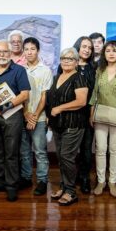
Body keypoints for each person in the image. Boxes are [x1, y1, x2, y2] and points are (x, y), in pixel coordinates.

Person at [0, 40, 30, 202]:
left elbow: (24, 94)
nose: (2, 54)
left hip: (13, 116)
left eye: (5, 52)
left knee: (11, 153)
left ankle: (11, 186)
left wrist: (5, 106)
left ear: (10, 53)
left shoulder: (19, 70)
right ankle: (0, 182)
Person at [89, 41, 116, 198]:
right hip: (100, 115)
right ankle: (101, 181)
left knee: (114, 150)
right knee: (100, 149)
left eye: (114, 50)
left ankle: (112, 182)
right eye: (108, 50)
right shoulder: (99, 70)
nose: (111, 53)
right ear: (104, 54)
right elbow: (94, 94)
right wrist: (91, 114)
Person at [47, 47, 88, 206]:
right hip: (58, 124)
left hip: (73, 123)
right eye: (64, 58)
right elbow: (52, 99)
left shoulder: (79, 78)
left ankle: (71, 192)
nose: (66, 61)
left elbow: (81, 101)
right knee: (61, 157)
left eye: (70, 59)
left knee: (66, 156)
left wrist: (60, 108)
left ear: (76, 62)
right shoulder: (57, 77)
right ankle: (64, 187)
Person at [20, 37, 52, 196]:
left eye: (32, 49)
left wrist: (34, 116)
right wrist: (26, 113)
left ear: (38, 50)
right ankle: (26, 178)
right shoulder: (20, 70)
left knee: (40, 151)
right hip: (22, 116)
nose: (29, 52)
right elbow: (19, 95)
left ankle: (42, 180)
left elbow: (45, 96)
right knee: (24, 151)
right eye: (26, 49)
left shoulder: (45, 70)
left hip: (39, 117)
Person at [73, 36, 97, 194]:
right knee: (71, 148)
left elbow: (95, 92)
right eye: (84, 46)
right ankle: (72, 176)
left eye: (90, 47)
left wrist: (92, 113)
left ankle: (84, 178)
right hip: (71, 113)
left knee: (86, 148)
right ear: (77, 47)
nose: (87, 50)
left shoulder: (94, 68)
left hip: (88, 112)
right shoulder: (68, 64)